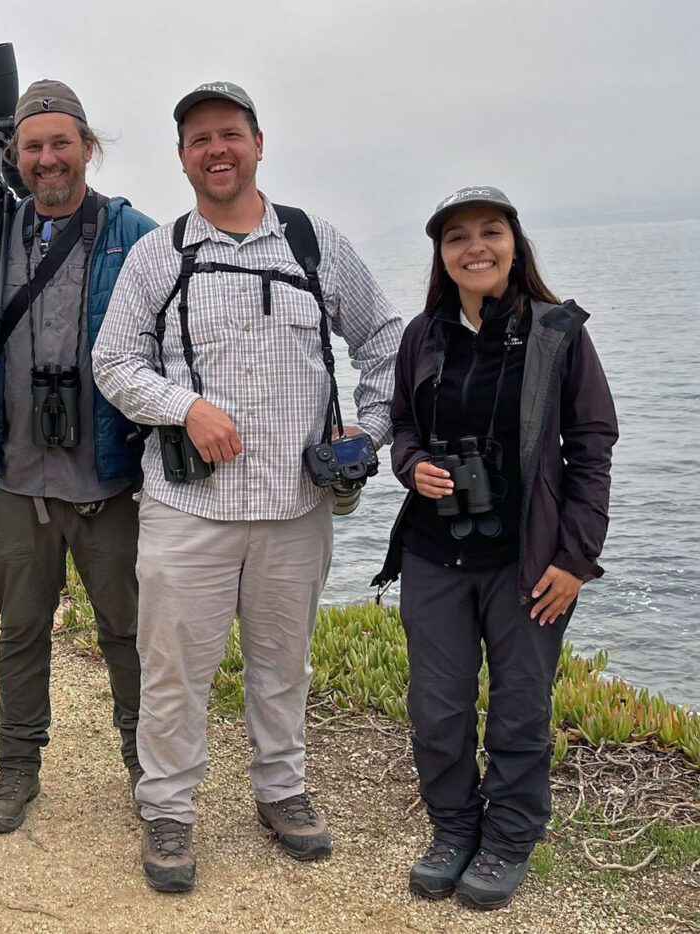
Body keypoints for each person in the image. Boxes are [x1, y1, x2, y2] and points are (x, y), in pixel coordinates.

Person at [92, 82, 403, 892]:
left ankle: (282, 791)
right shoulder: (157, 254)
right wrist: (185, 407)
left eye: (230, 134)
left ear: (258, 143)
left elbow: (385, 342)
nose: (216, 149)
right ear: (183, 157)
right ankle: (167, 810)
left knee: (282, 664)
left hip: (297, 508)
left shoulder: (313, 243)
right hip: (187, 506)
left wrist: (368, 434)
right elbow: (114, 363)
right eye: (199, 139)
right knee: (173, 670)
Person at [372, 186, 617, 910]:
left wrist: (574, 559)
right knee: (438, 707)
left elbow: (593, 447)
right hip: (433, 551)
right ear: (441, 256)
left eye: (489, 232)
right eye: (457, 238)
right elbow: (403, 426)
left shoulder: (557, 332)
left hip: (527, 560)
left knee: (518, 708)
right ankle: (453, 829)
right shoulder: (424, 334)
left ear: (515, 242)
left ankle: (508, 837)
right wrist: (410, 464)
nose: (475, 247)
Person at [0, 79, 157, 834]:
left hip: (110, 476)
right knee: (22, 629)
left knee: (128, 632)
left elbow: (175, 340)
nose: (47, 157)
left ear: (88, 148)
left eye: (61, 142)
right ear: (15, 157)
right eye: (32, 146)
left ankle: (147, 766)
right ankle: (17, 767)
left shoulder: (134, 234)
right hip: (16, 475)